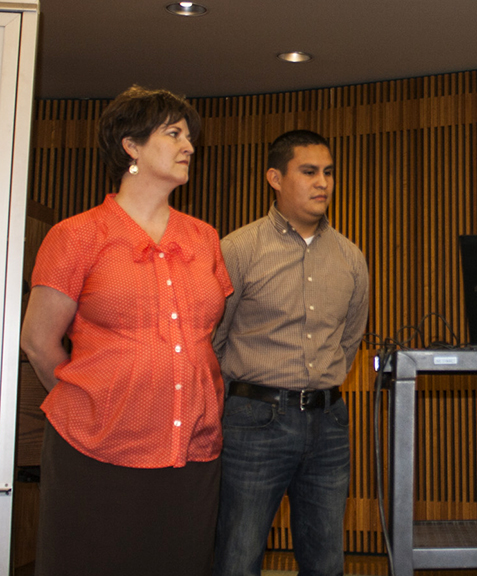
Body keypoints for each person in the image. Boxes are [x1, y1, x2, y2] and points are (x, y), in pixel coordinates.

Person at [20, 85, 232, 576]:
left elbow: (205, 340)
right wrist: (93, 402)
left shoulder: (204, 238)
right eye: (174, 134)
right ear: (130, 146)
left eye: (190, 137)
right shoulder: (76, 235)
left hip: (192, 453)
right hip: (96, 453)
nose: (190, 147)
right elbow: (37, 340)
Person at [212, 130, 369, 576]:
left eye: (329, 172)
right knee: (237, 559)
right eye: (309, 172)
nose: (323, 182)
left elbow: (349, 340)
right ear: (275, 178)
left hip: (329, 424)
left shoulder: (351, 258)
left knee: (326, 562)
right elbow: (214, 339)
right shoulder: (238, 249)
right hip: (252, 422)